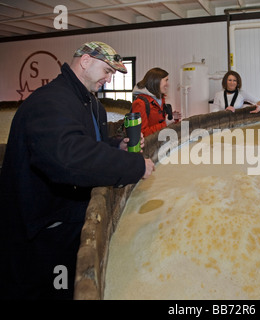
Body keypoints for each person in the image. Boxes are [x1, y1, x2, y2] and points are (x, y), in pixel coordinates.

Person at [0, 41, 155, 300]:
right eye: (107, 71)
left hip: (67, 216)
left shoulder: (89, 103)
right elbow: (68, 158)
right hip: (42, 228)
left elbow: (88, 143)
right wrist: (135, 165)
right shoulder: (51, 101)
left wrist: (116, 145)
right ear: (85, 62)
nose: (109, 78)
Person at [132, 67, 181, 137]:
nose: (167, 84)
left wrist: (172, 118)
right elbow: (141, 134)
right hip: (149, 146)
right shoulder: (140, 103)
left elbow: (158, 121)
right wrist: (165, 124)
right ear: (157, 81)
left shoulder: (160, 100)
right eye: (166, 80)